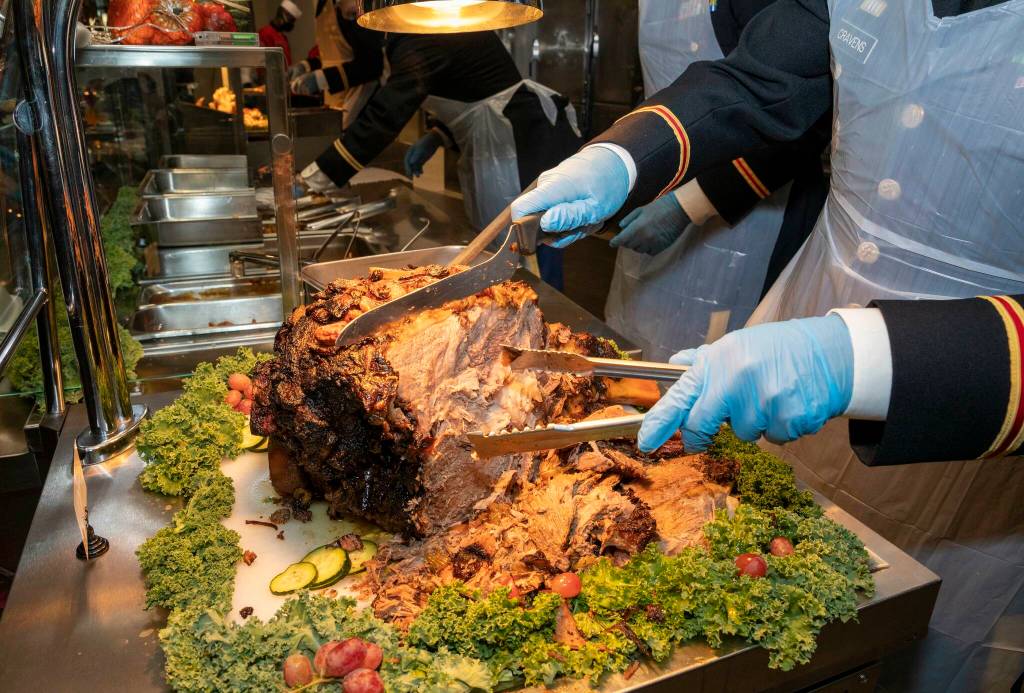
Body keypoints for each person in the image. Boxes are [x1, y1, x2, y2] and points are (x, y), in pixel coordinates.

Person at [512, 0, 1024, 689]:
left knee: (910, 638)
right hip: (813, 299)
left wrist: (864, 359)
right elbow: (758, 82)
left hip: (974, 387)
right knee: (739, 587)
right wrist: (623, 158)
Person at [295, 2, 582, 290]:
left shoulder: (425, 28)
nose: (341, 7)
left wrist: (315, 177)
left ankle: (546, 306)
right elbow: (469, 86)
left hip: (517, 140)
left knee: (525, 244)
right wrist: (439, 134)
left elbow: (386, 114)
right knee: (497, 241)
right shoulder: (404, 30)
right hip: (491, 136)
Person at [604, 0, 830, 360]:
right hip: (659, 194)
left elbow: (802, 114)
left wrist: (689, 203)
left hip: (748, 218)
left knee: (711, 362)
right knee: (636, 350)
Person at [287, 0, 382, 129]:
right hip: (334, 99)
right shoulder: (323, 5)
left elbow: (372, 64)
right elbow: (335, 53)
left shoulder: (352, 5)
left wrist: (323, 78)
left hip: (357, 99)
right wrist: (306, 65)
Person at [257, 0, 302, 66]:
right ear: (283, 13)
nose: (291, 24)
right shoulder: (265, 33)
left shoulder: (283, 37)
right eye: (291, 20)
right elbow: (263, 61)